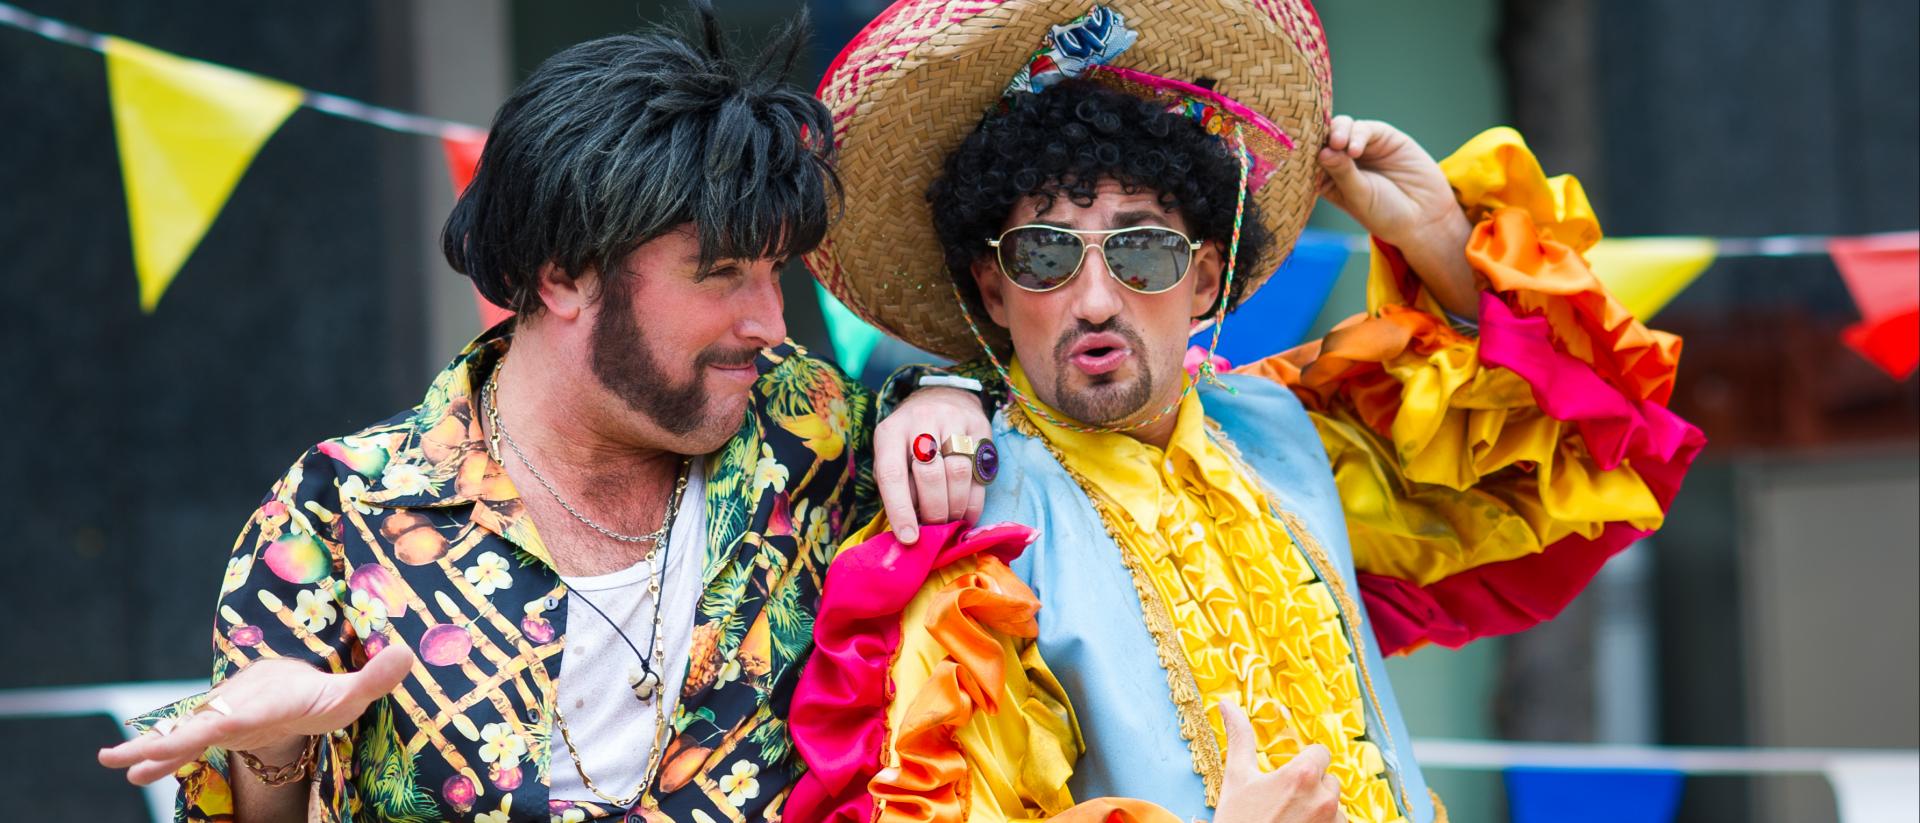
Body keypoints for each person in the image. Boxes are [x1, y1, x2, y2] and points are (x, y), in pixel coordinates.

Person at [788, 2, 1704, 822]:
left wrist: (1441, 242)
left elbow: (1584, 440)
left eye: (1143, 252)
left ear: (1206, 278)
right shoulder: (973, 539)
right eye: (1045, 254)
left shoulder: (1287, 432)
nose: (1097, 298)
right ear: (992, 289)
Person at [96, 6, 995, 822]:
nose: (769, 322)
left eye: (776, 273)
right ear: (564, 274)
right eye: (722, 274)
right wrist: (274, 751)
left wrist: (945, 394)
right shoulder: (337, 518)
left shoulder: (812, 426)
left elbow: (1010, 409)